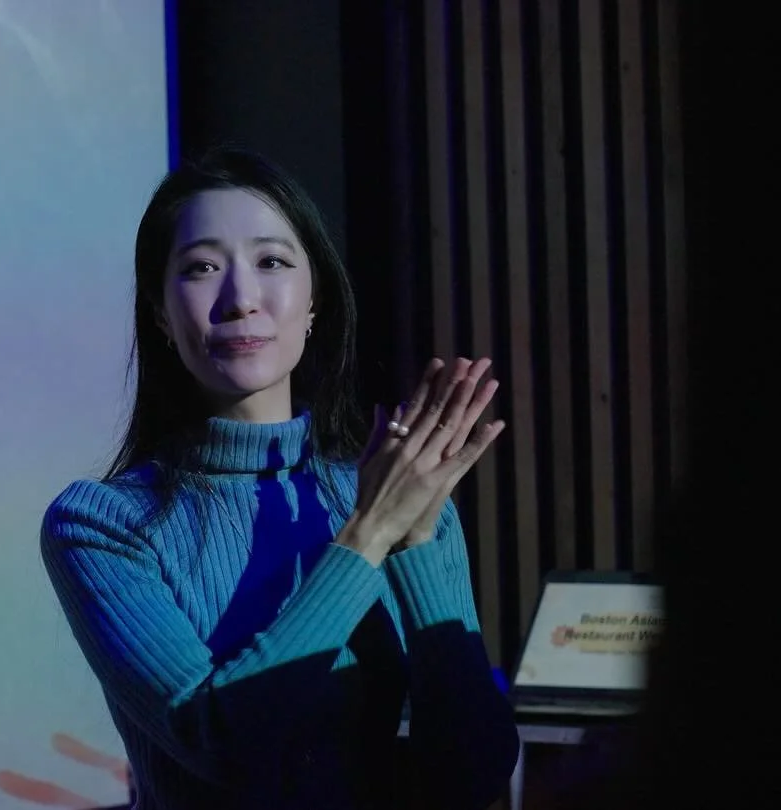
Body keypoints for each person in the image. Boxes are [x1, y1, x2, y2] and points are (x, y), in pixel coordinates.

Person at [40, 147, 519, 809]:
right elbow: (223, 744)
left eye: (271, 262)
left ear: (314, 298)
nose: (241, 299)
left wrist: (413, 541)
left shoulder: (392, 490)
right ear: (160, 312)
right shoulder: (100, 522)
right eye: (202, 268)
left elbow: (475, 775)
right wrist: (368, 535)